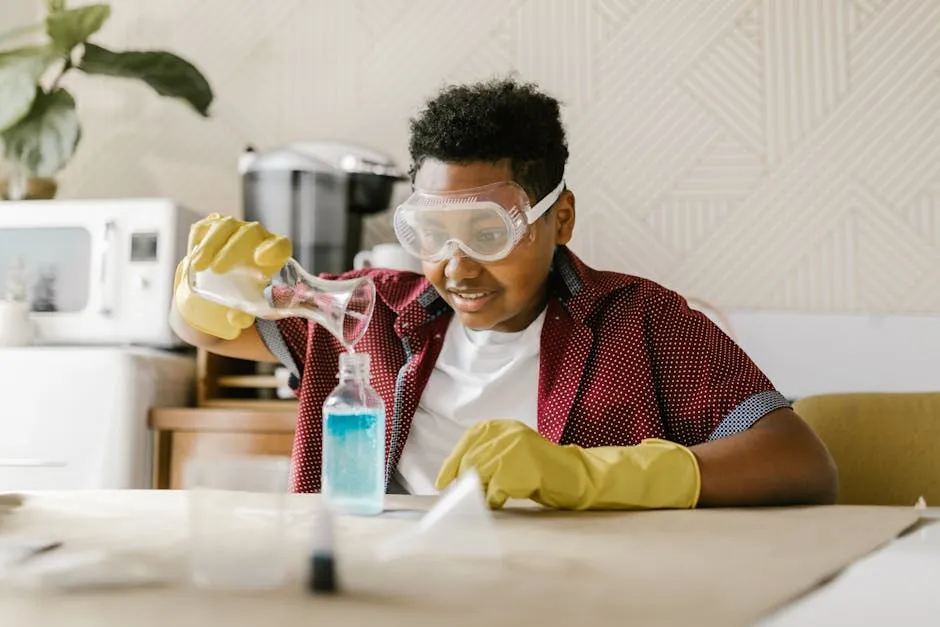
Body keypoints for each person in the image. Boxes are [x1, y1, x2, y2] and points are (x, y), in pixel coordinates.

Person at [170, 77, 838, 510]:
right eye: (432, 232)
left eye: (487, 232)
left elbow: (799, 461)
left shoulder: (640, 323)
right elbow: (211, 332)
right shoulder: (368, 311)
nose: (456, 267)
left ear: (560, 218)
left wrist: (591, 475)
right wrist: (202, 290)